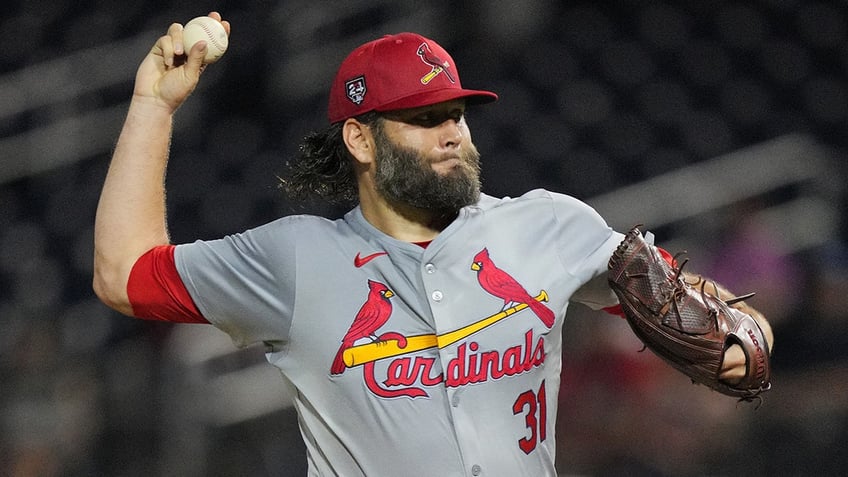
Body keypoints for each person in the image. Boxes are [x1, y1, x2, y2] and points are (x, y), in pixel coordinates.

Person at [93, 12, 773, 476]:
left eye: (455, 112)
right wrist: (154, 105)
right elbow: (123, 274)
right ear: (361, 138)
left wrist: (739, 330)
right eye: (423, 118)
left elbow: (710, 323)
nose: (452, 132)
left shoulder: (548, 226)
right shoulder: (295, 260)